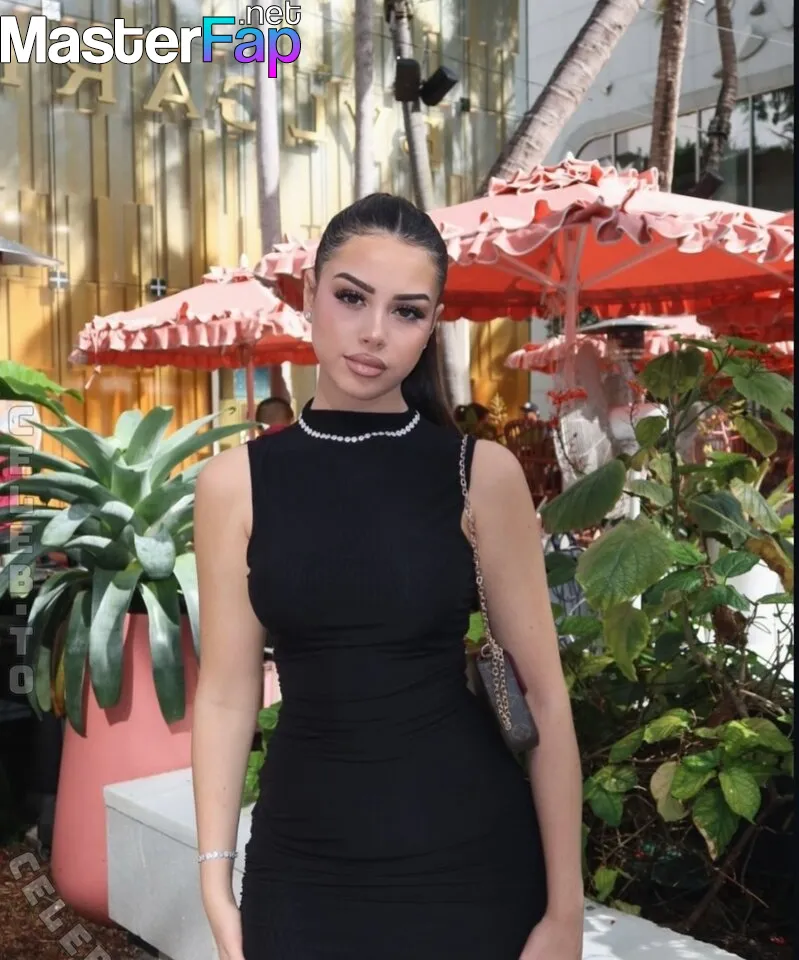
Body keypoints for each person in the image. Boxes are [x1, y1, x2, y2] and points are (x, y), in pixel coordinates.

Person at [192, 194, 584, 960]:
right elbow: (226, 694)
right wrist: (214, 879)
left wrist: (564, 910)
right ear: (309, 294)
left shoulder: (480, 473)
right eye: (350, 298)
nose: (374, 332)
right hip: (301, 869)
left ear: (431, 325)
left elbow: (542, 697)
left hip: (471, 865)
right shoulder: (234, 485)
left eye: (406, 311)